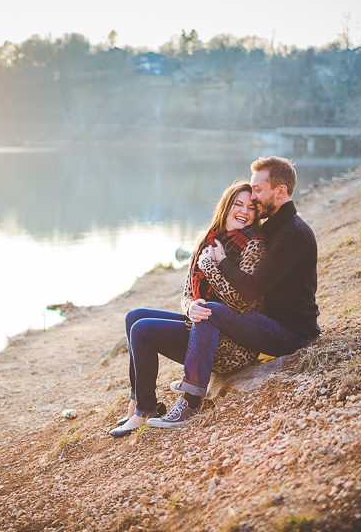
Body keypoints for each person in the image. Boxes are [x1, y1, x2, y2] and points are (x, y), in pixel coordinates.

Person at [147, 156, 320, 428]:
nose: (254, 197)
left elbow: (251, 288)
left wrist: (220, 261)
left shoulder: (292, 233)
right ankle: (152, 401)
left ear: (281, 191)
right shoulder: (271, 228)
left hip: (290, 334)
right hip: (267, 323)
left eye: (258, 191)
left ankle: (192, 401)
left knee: (211, 312)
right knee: (145, 318)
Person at [110, 181, 267, 437]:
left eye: (251, 207)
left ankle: (145, 412)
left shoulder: (254, 244)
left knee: (142, 330)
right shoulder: (209, 239)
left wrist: (211, 266)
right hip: (202, 326)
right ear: (226, 206)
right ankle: (136, 404)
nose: (244, 211)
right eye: (238, 204)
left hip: (231, 344)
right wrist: (190, 307)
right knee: (134, 316)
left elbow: (241, 302)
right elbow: (186, 293)